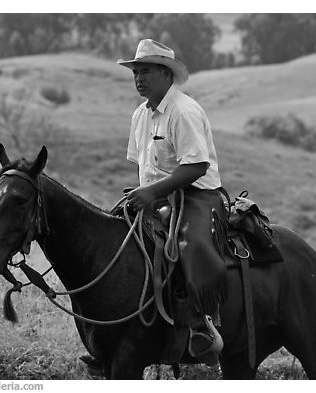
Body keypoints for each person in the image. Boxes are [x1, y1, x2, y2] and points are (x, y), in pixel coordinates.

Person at [118, 39, 229, 366]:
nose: (139, 78)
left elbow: (197, 167)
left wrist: (152, 192)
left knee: (188, 244)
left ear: (166, 74)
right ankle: (117, 334)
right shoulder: (140, 115)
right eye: (136, 72)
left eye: (146, 71)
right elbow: (141, 165)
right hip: (156, 196)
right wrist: (145, 193)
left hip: (198, 195)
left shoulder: (183, 111)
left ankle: (202, 327)